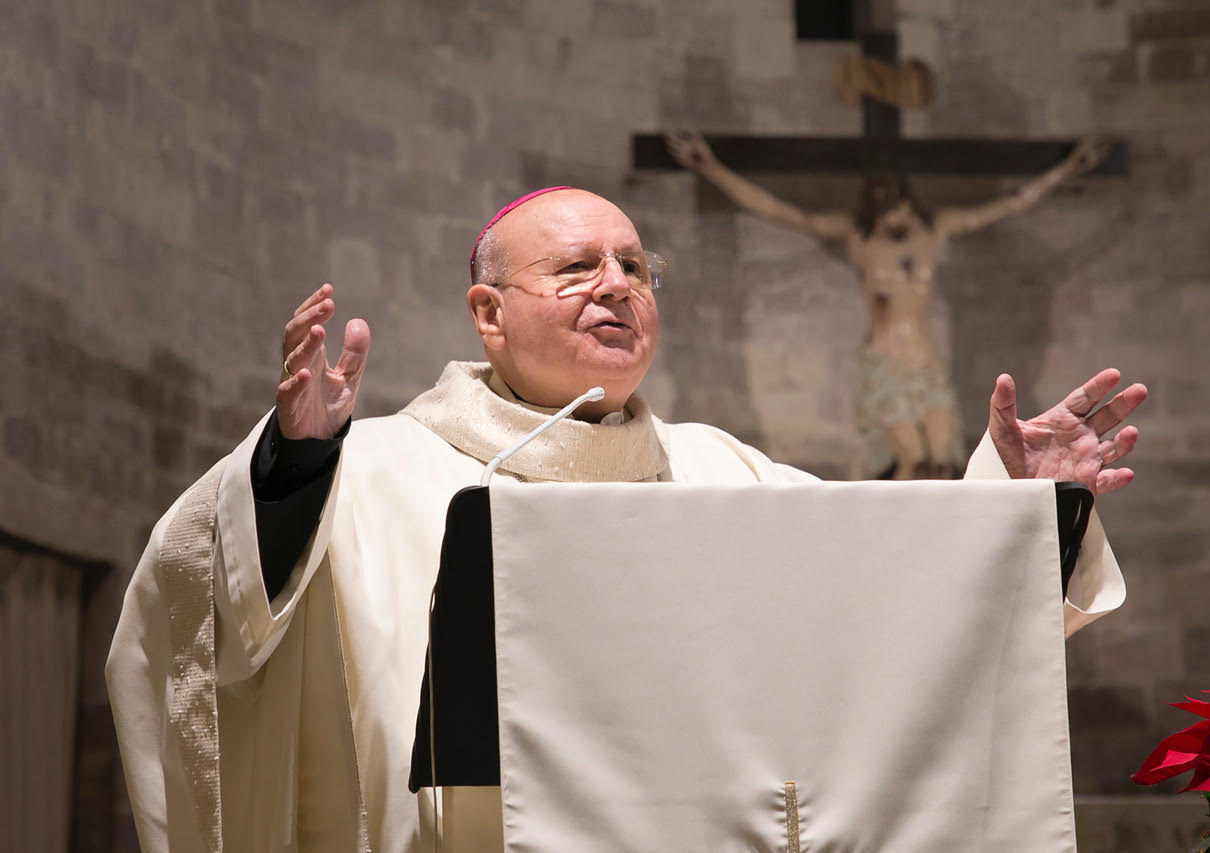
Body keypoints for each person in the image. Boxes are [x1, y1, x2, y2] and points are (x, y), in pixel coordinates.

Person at [106, 187, 1145, 852]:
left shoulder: (718, 469)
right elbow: (194, 613)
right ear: (487, 313)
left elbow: (887, 615)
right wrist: (288, 467)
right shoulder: (365, 467)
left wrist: (1020, 507)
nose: (617, 286)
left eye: (635, 267)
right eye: (575, 269)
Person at [664, 131, 1112, 480]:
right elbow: (780, 210)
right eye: (879, 198)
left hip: (926, 368)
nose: (889, 207)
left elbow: (1008, 204)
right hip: (884, 365)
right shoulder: (859, 240)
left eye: (894, 196)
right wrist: (712, 168)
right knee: (912, 461)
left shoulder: (934, 233)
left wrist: (1067, 169)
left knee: (943, 462)